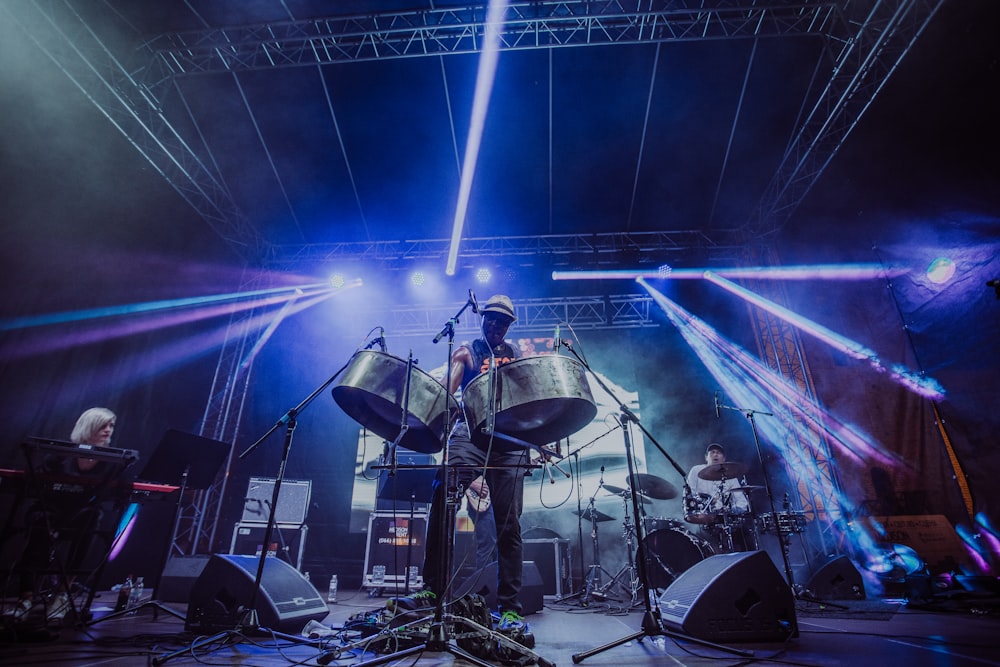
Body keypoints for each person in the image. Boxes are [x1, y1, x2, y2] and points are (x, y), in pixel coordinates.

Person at [393, 294, 530, 632]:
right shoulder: (467, 350)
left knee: (509, 524)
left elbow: (528, 398)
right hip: (469, 434)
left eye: (503, 322)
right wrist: (432, 400)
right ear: (482, 320)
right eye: (491, 319)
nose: (496, 326)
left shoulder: (515, 355)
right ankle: (432, 590)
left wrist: (537, 438)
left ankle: (511, 608)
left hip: (508, 441)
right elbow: (446, 391)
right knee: (442, 502)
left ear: (509, 325)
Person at [16, 407, 120, 625]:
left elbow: (118, 489)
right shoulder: (60, 455)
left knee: (91, 520)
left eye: (111, 426)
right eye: (103, 425)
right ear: (89, 426)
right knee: (39, 523)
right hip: (52, 509)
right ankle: (24, 598)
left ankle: (62, 595)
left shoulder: (111, 462)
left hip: (83, 514)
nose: (108, 430)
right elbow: (37, 482)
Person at [685, 443, 751, 552]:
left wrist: (732, 512)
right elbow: (689, 495)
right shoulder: (696, 471)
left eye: (719, 453)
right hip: (702, 520)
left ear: (724, 458)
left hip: (725, 520)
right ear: (706, 457)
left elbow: (742, 502)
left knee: (745, 540)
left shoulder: (731, 476)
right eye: (712, 452)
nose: (715, 455)